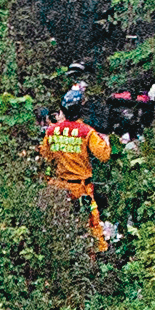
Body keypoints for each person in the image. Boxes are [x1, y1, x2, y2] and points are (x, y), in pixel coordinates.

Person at [37, 95, 112, 237]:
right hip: (81, 188)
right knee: (92, 224)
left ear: (62, 111)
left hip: (58, 186)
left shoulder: (52, 131)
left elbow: (45, 156)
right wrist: (107, 140)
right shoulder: (86, 132)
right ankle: (97, 253)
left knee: (59, 223)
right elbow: (104, 156)